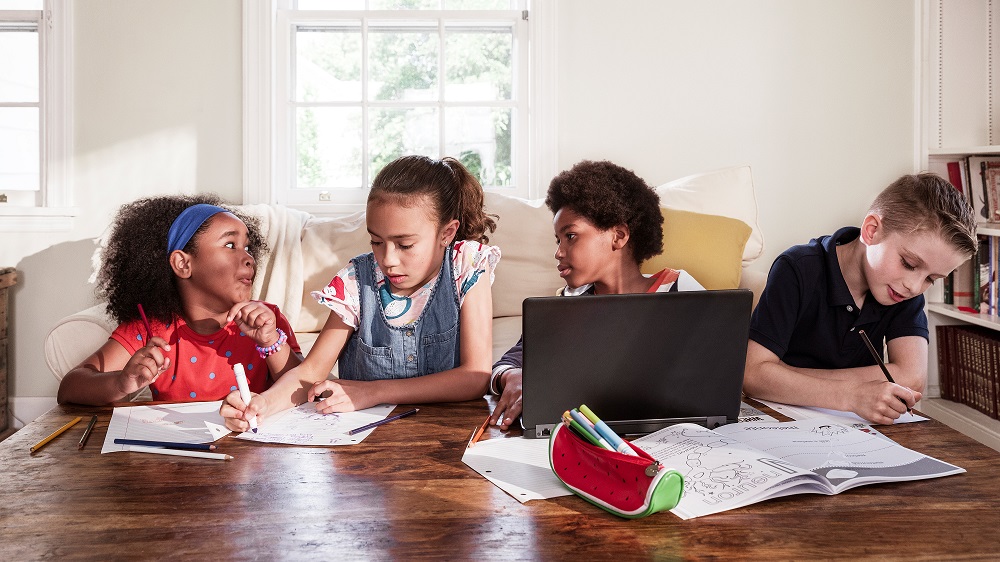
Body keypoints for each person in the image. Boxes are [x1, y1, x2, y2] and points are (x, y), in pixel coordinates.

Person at [221, 155, 500, 431]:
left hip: (449, 436)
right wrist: (262, 405)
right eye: (376, 241)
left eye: (404, 245)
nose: (387, 259)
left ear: (447, 233)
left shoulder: (468, 265)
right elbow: (310, 372)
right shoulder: (357, 280)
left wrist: (373, 392)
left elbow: (474, 377)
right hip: (366, 445)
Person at [744, 173, 977, 424]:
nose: (915, 286)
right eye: (909, 264)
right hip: (778, 419)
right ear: (872, 231)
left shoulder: (904, 291)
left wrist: (783, 375)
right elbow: (753, 374)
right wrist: (850, 395)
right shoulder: (797, 268)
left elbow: (911, 377)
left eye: (932, 279)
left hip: (856, 427)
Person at [489, 160, 705, 430]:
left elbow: (716, 362)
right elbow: (510, 361)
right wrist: (512, 375)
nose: (558, 251)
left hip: (676, 430)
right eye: (558, 240)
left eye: (570, 236)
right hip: (594, 434)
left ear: (619, 236)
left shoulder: (680, 289)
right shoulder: (567, 305)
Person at [57, 195, 302, 405]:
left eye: (247, 247)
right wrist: (122, 383)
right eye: (230, 244)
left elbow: (304, 389)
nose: (249, 258)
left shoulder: (268, 322)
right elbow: (70, 387)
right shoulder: (151, 329)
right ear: (183, 264)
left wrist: (271, 342)